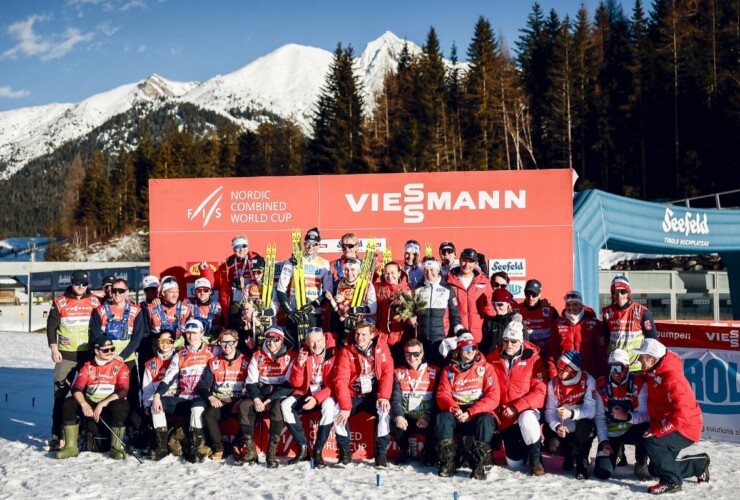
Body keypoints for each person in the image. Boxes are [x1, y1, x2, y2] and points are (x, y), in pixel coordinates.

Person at [633, 339, 709, 495]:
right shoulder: (655, 370)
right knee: (656, 469)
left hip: (685, 427)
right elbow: (645, 376)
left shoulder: (672, 379)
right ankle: (699, 464)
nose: (639, 360)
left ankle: (671, 482)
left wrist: (658, 431)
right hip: (672, 423)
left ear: (653, 359)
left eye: (642, 357)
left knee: (652, 442)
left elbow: (682, 414)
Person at [45, 270, 100, 451]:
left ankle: (83, 430)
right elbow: (52, 325)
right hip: (66, 355)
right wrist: (53, 347)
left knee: (87, 394)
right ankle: (57, 435)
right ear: (71, 282)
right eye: (77, 283)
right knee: (61, 395)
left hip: (89, 356)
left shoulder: (94, 301)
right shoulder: (60, 301)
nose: (80, 287)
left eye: (84, 284)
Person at [485, 317, 547, 476]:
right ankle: (521, 451)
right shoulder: (493, 358)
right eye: (505, 340)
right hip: (505, 416)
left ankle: (535, 459)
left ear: (521, 341)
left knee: (527, 419)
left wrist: (516, 407)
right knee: (514, 465)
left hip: (526, 410)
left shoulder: (534, 358)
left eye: (513, 341)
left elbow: (540, 391)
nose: (509, 344)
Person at [88, 277, 146, 447]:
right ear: (110, 292)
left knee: (133, 396)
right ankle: (105, 434)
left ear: (127, 292)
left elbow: (137, 338)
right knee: (106, 395)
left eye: (121, 291)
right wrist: (107, 355)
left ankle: (135, 433)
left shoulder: (136, 310)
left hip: (126, 361)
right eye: (114, 291)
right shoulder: (100, 310)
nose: (117, 294)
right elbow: (96, 334)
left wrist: (121, 356)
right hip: (105, 361)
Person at [435, 332, 499, 480]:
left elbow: (493, 397)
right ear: (458, 351)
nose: (470, 351)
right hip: (457, 412)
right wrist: (455, 409)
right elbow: (442, 395)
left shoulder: (486, 368)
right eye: (466, 348)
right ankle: (447, 463)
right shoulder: (448, 370)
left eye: (473, 347)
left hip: (476, 413)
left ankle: (478, 466)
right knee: (442, 417)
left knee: (486, 419)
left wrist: (471, 412)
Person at [55, 335, 130, 460]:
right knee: (69, 403)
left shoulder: (120, 366)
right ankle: (71, 447)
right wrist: (84, 404)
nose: (110, 352)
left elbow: (123, 390)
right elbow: (77, 388)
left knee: (121, 405)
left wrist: (102, 404)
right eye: (105, 350)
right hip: (91, 402)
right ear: (96, 351)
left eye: (112, 349)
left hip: (108, 404)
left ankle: (116, 448)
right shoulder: (87, 366)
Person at [333, 318, 394, 468]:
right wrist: (346, 406)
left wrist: (384, 396)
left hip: (374, 395)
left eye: (364, 335)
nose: (359, 338)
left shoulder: (380, 347)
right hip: (354, 395)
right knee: (337, 411)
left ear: (372, 334)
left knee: (384, 411)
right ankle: (345, 454)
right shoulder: (347, 351)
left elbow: (387, 372)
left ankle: (381, 455)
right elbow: (340, 379)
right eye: (357, 334)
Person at [150, 319, 213, 463]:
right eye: (188, 333)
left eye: (194, 333)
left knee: (197, 407)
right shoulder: (180, 354)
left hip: (203, 398)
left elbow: (231, 351)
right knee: (157, 405)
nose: (191, 337)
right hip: (184, 398)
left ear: (202, 333)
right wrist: (158, 395)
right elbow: (169, 377)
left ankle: (196, 448)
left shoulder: (212, 351)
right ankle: (162, 448)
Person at [236, 325, 296, 467]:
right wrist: (257, 399)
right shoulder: (258, 355)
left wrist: (269, 400)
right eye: (268, 340)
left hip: (279, 392)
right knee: (244, 406)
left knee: (277, 407)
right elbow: (251, 381)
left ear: (281, 340)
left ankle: (271, 453)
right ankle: (251, 452)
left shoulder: (290, 356)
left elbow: (289, 384)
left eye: (275, 340)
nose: (271, 343)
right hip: (261, 390)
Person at [281, 327, 338, 468]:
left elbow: (334, 385)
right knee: (285, 405)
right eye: (312, 342)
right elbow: (296, 383)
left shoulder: (334, 353)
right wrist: (299, 365)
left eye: (319, 341)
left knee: (329, 406)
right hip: (306, 392)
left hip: (326, 393)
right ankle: (303, 447)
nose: (316, 345)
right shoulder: (303, 353)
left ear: (324, 339)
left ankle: (318, 451)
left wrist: (316, 399)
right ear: (307, 341)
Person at [593, 349, 651, 481]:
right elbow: (600, 417)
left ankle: (641, 463)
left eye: (619, 367)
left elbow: (647, 415)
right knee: (602, 472)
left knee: (646, 428)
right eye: (612, 367)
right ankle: (617, 451)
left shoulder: (639, 384)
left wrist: (628, 416)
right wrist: (603, 440)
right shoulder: (600, 385)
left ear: (627, 367)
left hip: (632, 429)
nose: (615, 371)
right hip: (612, 433)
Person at [543, 350, 597, 480]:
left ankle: (581, 461)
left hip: (580, 424)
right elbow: (549, 411)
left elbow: (591, 411)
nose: (558, 372)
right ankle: (570, 453)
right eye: (558, 368)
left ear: (572, 370)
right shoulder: (553, 384)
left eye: (562, 369)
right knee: (551, 445)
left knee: (586, 426)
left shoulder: (588, 380)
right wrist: (557, 426)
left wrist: (572, 413)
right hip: (564, 427)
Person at [198, 329, 250, 460]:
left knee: (248, 411)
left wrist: (242, 400)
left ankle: (239, 445)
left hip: (238, 401)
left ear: (236, 343)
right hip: (220, 402)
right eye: (223, 343)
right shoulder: (214, 362)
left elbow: (252, 385)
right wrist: (210, 397)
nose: (227, 346)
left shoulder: (246, 361)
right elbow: (203, 385)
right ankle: (219, 448)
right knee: (208, 415)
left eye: (230, 342)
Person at [276, 227, 332, 346]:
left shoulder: (325, 264)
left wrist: (312, 305)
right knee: (294, 347)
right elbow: (281, 289)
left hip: (312, 312)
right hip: (294, 311)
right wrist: (290, 312)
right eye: (308, 243)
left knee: (312, 346)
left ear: (318, 245)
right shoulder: (293, 261)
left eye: (314, 244)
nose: (311, 247)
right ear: (304, 244)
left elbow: (328, 291)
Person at [390, 339, 439, 465]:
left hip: (426, 418)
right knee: (393, 420)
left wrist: (429, 414)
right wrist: (399, 415)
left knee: (440, 420)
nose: (412, 357)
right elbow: (395, 397)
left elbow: (439, 398)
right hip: (407, 418)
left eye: (416, 354)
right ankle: (405, 451)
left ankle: (429, 453)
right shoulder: (398, 372)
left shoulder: (434, 371)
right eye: (408, 354)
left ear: (422, 354)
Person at [408, 259, 464, 367]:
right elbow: (411, 313)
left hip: (441, 340)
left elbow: (455, 316)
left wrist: (459, 331)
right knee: (424, 370)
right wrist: (410, 319)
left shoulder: (447, 290)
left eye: (432, 270)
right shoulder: (417, 290)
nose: (429, 273)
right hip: (422, 340)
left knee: (441, 369)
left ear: (438, 271)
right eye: (426, 270)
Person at [547, 290, 606, 380]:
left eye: (575, 304)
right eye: (568, 305)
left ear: (581, 305)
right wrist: (553, 375)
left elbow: (601, 353)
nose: (571, 308)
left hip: (589, 375)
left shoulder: (594, 324)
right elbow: (552, 353)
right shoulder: (557, 324)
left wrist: (602, 376)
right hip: (565, 375)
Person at [602, 275, 657, 372]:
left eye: (623, 291)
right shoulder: (607, 312)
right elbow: (606, 339)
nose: (619, 295)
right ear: (612, 294)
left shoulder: (642, 311)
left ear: (628, 293)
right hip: (615, 365)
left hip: (636, 366)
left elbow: (652, 340)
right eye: (615, 292)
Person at [141, 330, 177, 460]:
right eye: (162, 341)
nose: (165, 344)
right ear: (157, 343)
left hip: (176, 398)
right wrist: (147, 404)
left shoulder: (179, 358)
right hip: (159, 400)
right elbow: (147, 388)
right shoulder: (150, 364)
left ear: (173, 343)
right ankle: (161, 447)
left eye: (169, 341)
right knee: (156, 407)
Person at [446, 248, 494, 344]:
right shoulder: (448, 280)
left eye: (471, 261)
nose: (467, 265)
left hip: (479, 335)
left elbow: (490, 308)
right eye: (464, 260)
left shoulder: (484, 281)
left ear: (475, 263)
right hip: (457, 334)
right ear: (459, 261)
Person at [326, 257, 377, 346]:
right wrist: (332, 300)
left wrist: (351, 310)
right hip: (344, 325)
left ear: (358, 271)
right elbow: (338, 309)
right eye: (346, 270)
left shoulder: (366, 284)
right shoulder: (341, 283)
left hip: (360, 327)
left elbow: (372, 308)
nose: (349, 273)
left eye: (353, 269)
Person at [215, 234, 261, 330]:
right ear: (233, 249)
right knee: (236, 328)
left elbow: (263, 278)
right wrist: (205, 270)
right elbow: (214, 281)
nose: (241, 249)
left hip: (253, 299)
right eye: (238, 247)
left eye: (244, 246)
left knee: (253, 328)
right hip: (236, 300)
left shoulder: (256, 259)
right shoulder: (229, 264)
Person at [375, 261, 413, 363]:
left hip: (400, 338)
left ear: (399, 273)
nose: (389, 276)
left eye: (392, 273)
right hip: (382, 337)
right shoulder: (378, 288)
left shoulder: (407, 290)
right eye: (386, 273)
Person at [514, 279, 559, 361]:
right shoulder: (516, 310)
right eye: (527, 294)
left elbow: (559, 333)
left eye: (534, 294)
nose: (530, 298)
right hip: (525, 357)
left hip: (547, 356)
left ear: (540, 294)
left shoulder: (550, 311)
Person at [240, 255, 278, 350]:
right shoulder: (248, 287)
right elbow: (244, 304)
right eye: (253, 272)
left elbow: (274, 310)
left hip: (269, 325)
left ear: (265, 271)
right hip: (253, 327)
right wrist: (245, 312)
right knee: (254, 351)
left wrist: (259, 313)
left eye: (259, 272)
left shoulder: (273, 287)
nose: (256, 275)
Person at [479, 288, 529, 356]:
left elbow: (525, 342)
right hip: (494, 360)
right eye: (494, 304)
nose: (496, 307)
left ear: (508, 304)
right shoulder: (490, 322)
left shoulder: (516, 320)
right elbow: (484, 346)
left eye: (500, 304)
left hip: (511, 360)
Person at [148, 275, 193, 347]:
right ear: (163, 293)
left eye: (177, 292)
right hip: (159, 349)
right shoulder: (152, 308)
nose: (175, 295)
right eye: (171, 292)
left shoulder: (185, 309)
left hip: (180, 350)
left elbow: (191, 333)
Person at [136, 274, 160, 383]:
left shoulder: (166, 303)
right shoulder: (140, 307)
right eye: (147, 290)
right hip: (145, 346)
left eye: (153, 289)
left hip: (162, 345)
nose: (151, 292)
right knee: (144, 379)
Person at [189, 276, 223, 343]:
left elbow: (224, 327)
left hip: (214, 341)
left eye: (205, 290)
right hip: (195, 342)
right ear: (195, 292)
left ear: (210, 291)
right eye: (199, 290)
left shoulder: (219, 306)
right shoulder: (189, 305)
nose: (202, 293)